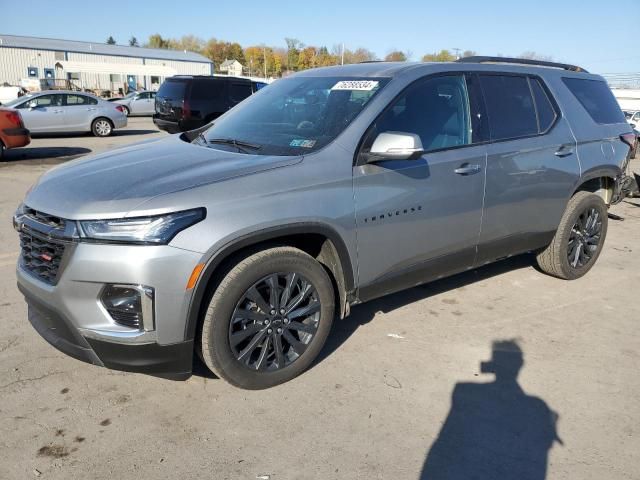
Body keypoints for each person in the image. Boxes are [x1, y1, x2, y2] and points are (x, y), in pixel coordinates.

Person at [421, 340, 562, 480]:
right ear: (520, 364)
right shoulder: (536, 408)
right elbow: (537, 462)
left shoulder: (468, 394)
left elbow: (444, 446)